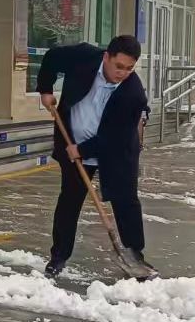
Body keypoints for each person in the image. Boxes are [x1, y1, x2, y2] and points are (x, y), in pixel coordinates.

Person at [37, 35, 151, 278]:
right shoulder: (83, 56)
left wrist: (82, 150)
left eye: (129, 68)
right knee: (69, 201)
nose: (123, 73)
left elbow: (116, 138)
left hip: (116, 153)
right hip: (72, 141)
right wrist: (45, 89)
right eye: (119, 66)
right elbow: (52, 58)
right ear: (106, 57)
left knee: (126, 201)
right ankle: (59, 256)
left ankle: (134, 255)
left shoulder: (134, 94)